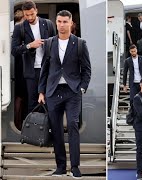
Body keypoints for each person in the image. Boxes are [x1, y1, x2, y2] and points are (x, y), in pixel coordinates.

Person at [38, 10, 91, 178]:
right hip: (53, 92)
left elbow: (87, 70)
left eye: (64, 22)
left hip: (72, 92)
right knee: (56, 129)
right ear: (56, 22)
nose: (61, 25)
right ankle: (60, 167)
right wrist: (41, 91)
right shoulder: (49, 43)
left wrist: (82, 88)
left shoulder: (80, 43)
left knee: (73, 126)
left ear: (71, 23)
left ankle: (75, 167)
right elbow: (44, 70)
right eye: (59, 21)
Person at [11, 0, 56, 113]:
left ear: (36, 10)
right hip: (31, 71)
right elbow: (14, 51)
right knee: (32, 102)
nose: (30, 17)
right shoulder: (19, 28)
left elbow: (56, 45)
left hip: (48, 69)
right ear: (23, 13)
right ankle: (34, 129)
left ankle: (49, 128)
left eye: (32, 14)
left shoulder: (48, 24)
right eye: (27, 15)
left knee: (49, 100)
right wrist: (30, 45)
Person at [12, 9, 27, 130]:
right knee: (21, 98)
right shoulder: (20, 30)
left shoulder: (13, 28)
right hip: (21, 67)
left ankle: (18, 124)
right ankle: (20, 125)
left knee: (19, 97)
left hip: (17, 68)